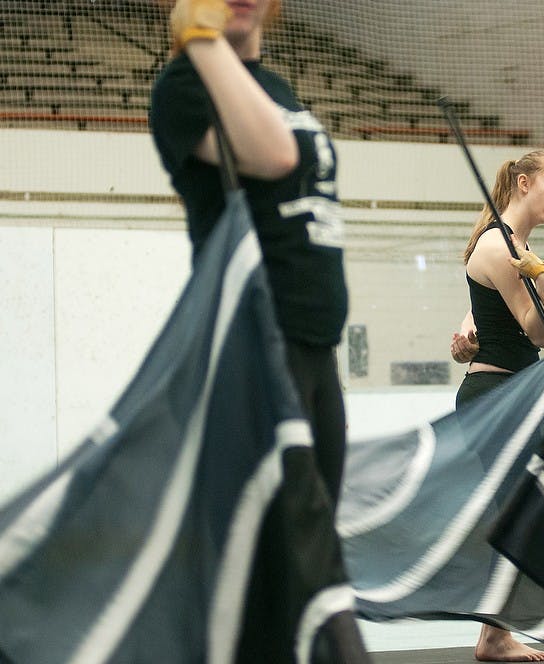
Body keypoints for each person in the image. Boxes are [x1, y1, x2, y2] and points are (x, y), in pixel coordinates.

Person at [149, 1, 370, 661]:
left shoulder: (271, 85)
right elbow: (274, 153)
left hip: (313, 349)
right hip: (254, 352)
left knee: (305, 565)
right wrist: (199, 34)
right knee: (278, 573)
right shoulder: (185, 83)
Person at [450, 150, 544, 662]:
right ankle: (494, 636)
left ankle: (493, 634)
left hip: (508, 395)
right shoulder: (504, 247)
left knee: (518, 515)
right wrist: (542, 279)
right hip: (497, 397)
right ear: (523, 183)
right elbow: (540, 333)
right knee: (514, 517)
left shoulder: (511, 245)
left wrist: (466, 327)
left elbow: (484, 308)